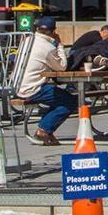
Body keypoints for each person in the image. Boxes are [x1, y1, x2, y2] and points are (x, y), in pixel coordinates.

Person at [16, 16, 73, 146]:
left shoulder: (27, 40)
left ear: (37, 28)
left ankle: (47, 129)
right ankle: (44, 129)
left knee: (59, 97)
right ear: (53, 31)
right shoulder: (47, 47)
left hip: (18, 84)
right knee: (70, 101)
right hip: (32, 88)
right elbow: (62, 67)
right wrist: (59, 45)